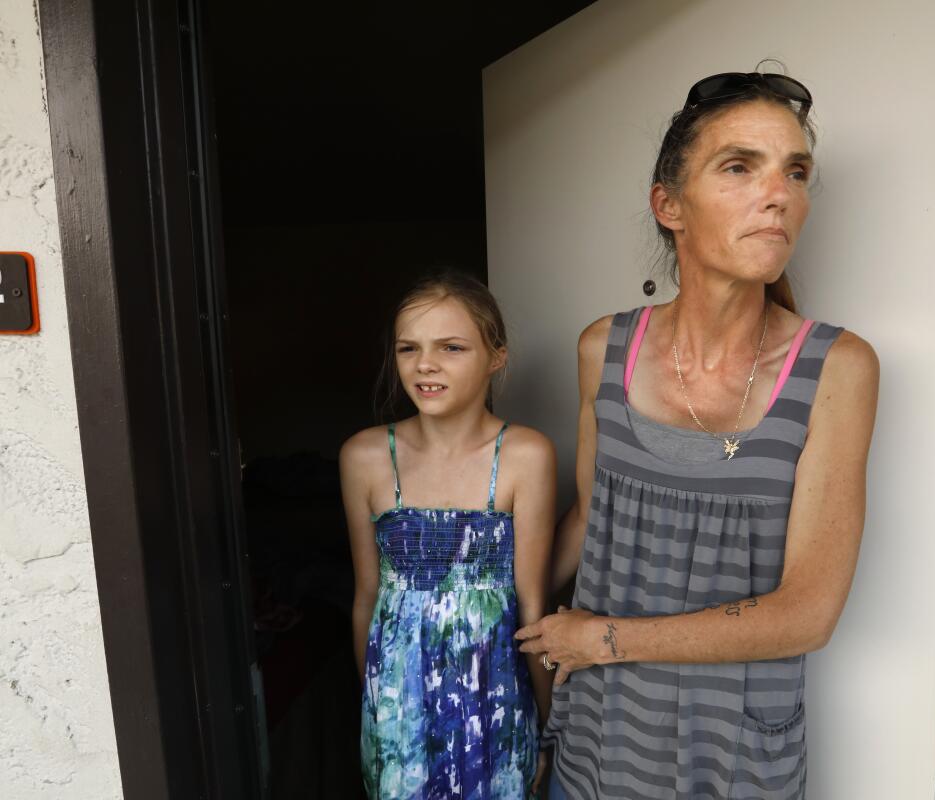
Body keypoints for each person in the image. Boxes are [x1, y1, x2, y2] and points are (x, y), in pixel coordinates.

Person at [514, 70, 880, 799]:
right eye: (740, 167)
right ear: (669, 205)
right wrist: (507, 611)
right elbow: (591, 517)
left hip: (733, 763)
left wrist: (604, 639)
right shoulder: (602, 350)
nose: (778, 194)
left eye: (795, 171)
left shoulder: (837, 367)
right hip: (597, 744)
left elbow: (809, 613)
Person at [340, 272, 556, 799]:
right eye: (408, 348)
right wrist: (375, 711)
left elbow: (533, 607)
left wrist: (550, 726)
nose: (425, 365)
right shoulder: (365, 457)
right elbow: (367, 598)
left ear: (496, 356)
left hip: (495, 705)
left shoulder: (525, 456)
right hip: (398, 714)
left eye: (451, 347)